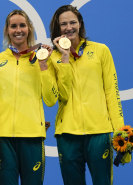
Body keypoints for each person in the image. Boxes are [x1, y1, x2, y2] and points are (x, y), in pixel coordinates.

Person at [0, 10, 68, 185]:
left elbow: (51, 99)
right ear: (7, 30)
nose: (18, 30)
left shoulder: (43, 57)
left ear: (29, 28)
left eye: (22, 25)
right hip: (3, 138)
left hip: (32, 137)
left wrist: (43, 65)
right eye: (13, 26)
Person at [49, 5, 125, 185]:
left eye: (72, 22)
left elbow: (111, 92)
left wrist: (120, 131)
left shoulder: (101, 51)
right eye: (63, 24)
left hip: (98, 132)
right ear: (57, 28)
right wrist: (64, 58)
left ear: (80, 24)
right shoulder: (52, 57)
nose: (69, 27)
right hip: (67, 133)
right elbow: (61, 95)